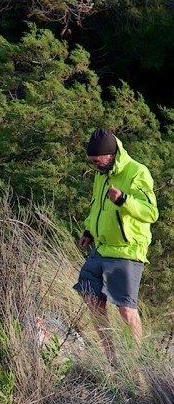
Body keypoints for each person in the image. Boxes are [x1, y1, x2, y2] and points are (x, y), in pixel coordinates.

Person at [73, 128, 159, 362]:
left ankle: (137, 363)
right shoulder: (101, 175)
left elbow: (150, 212)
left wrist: (123, 200)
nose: (94, 167)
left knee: (125, 309)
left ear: (111, 155)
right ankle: (111, 358)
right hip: (101, 248)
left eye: (97, 162)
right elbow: (97, 206)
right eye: (91, 163)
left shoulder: (137, 172)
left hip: (127, 250)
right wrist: (89, 229)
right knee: (90, 297)